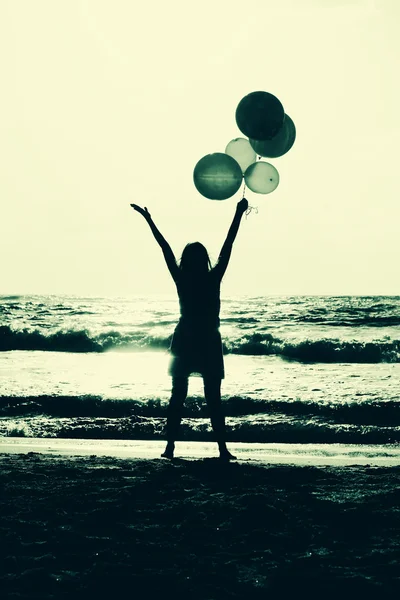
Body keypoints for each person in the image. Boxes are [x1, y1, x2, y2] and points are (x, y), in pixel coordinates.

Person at [131, 197, 248, 460]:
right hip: (207, 339)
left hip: (185, 339)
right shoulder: (212, 277)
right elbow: (228, 244)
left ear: (187, 260)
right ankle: (222, 449)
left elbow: (165, 249)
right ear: (203, 259)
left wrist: (149, 220)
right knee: (213, 398)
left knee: (178, 396)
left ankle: (170, 447)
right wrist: (238, 213)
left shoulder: (182, 278)